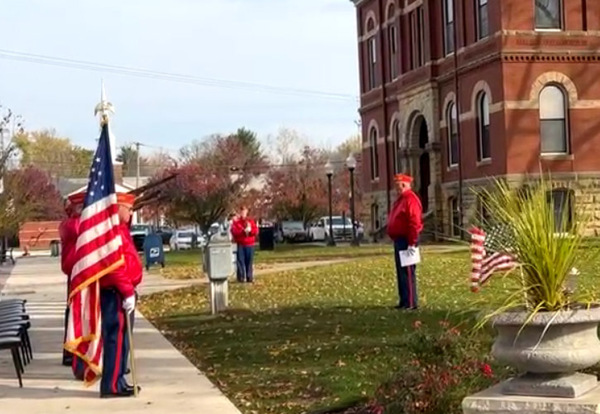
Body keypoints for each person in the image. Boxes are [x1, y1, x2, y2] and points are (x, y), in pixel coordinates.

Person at [99, 192, 143, 398]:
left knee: (123, 339)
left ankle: (118, 379)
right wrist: (127, 292)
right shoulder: (113, 233)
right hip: (116, 292)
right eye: (129, 209)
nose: (132, 212)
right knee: (115, 339)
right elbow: (115, 267)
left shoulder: (122, 230)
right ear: (119, 209)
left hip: (122, 290)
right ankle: (112, 384)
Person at [387, 173, 423, 310]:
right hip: (399, 239)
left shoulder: (410, 199)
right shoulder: (401, 200)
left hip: (407, 240)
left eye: (399, 185)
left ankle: (411, 302)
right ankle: (404, 300)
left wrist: (412, 242)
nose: (397, 188)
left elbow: (414, 221)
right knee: (401, 272)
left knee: (408, 272)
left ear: (405, 184)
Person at [59, 194, 83, 370]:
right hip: (76, 271)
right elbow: (81, 229)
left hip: (78, 271)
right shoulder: (71, 224)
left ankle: (72, 351)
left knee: (75, 311)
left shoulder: (73, 223)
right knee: (75, 312)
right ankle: (71, 351)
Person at [231, 206, 258, 283]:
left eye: (244, 211)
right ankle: (241, 278)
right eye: (241, 211)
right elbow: (234, 232)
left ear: (247, 212)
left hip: (250, 244)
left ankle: (249, 277)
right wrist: (242, 232)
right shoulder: (237, 222)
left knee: (249, 262)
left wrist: (250, 231)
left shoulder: (251, 221)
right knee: (240, 262)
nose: (243, 213)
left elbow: (255, 231)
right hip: (241, 244)